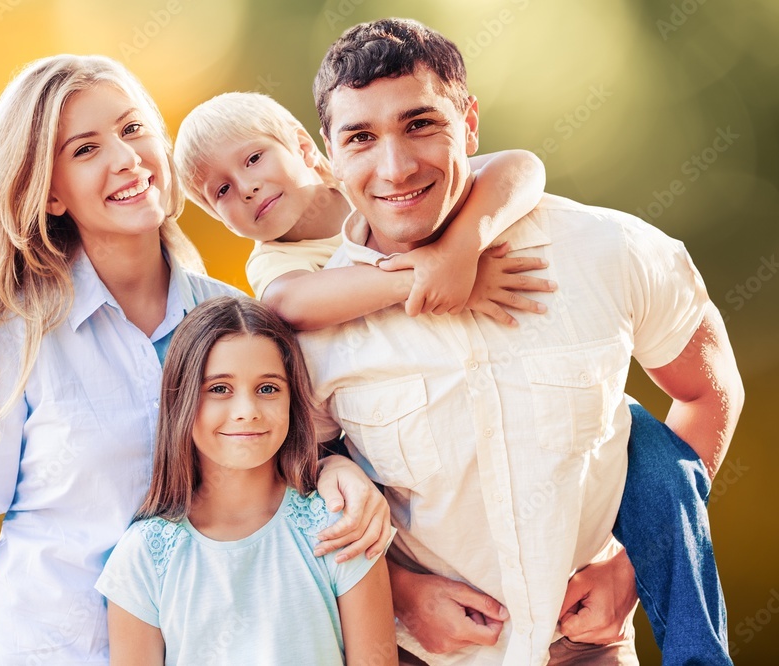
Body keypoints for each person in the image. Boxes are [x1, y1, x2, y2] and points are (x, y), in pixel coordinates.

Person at [0, 54, 389, 665]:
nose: (125, 158)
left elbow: (289, 466)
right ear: (50, 194)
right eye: (85, 149)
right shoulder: (19, 333)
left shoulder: (236, 322)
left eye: (133, 129)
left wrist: (334, 469)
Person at [298, 18, 744, 666]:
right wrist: (394, 595)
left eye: (421, 124)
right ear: (330, 153)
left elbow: (707, 391)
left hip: (586, 652)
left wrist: (630, 570)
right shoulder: (312, 334)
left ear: (469, 122)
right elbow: (280, 495)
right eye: (361, 137)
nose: (394, 166)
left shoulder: (608, 251)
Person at [95, 296, 398, 665]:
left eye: (268, 388)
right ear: (182, 400)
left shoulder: (339, 528)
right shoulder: (143, 556)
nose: (247, 412)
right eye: (219, 388)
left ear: (292, 399)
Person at [174, 91, 555, 330]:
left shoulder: (371, 181)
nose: (247, 188)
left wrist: (459, 251)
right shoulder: (274, 260)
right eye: (221, 190)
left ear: (304, 148)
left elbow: (521, 166)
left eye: (254, 158)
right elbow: (289, 303)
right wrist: (431, 276)